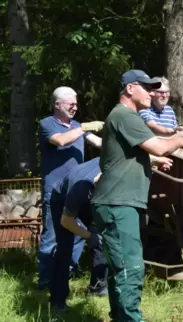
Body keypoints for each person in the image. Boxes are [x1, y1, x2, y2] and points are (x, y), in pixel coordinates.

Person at [90, 69, 183, 322]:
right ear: (130, 89)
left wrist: (153, 162)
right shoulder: (126, 115)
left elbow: (126, 155)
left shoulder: (122, 117)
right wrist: (181, 139)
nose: (152, 92)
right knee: (131, 268)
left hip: (116, 201)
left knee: (118, 268)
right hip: (118, 202)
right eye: (146, 87)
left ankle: (120, 318)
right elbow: (158, 144)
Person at [37, 86, 104, 290]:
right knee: (52, 236)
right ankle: (46, 280)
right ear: (57, 105)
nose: (75, 107)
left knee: (79, 233)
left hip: (78, 189)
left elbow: (99, 143)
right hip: (54, 190)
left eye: (76, 104)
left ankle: (66, 272)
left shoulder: (77, 126)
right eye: (70, 104)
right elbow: (60, 140)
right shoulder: (47, 124)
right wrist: (83, 128)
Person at [49, 157, 107, 312]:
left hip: (91, 196)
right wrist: (88, 236)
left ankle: (98, 287)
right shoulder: (80, 189)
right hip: (61, 198)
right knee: (65, 247)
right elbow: (66, 221)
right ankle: (57, 300)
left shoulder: (115, 164)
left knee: (102, 236)